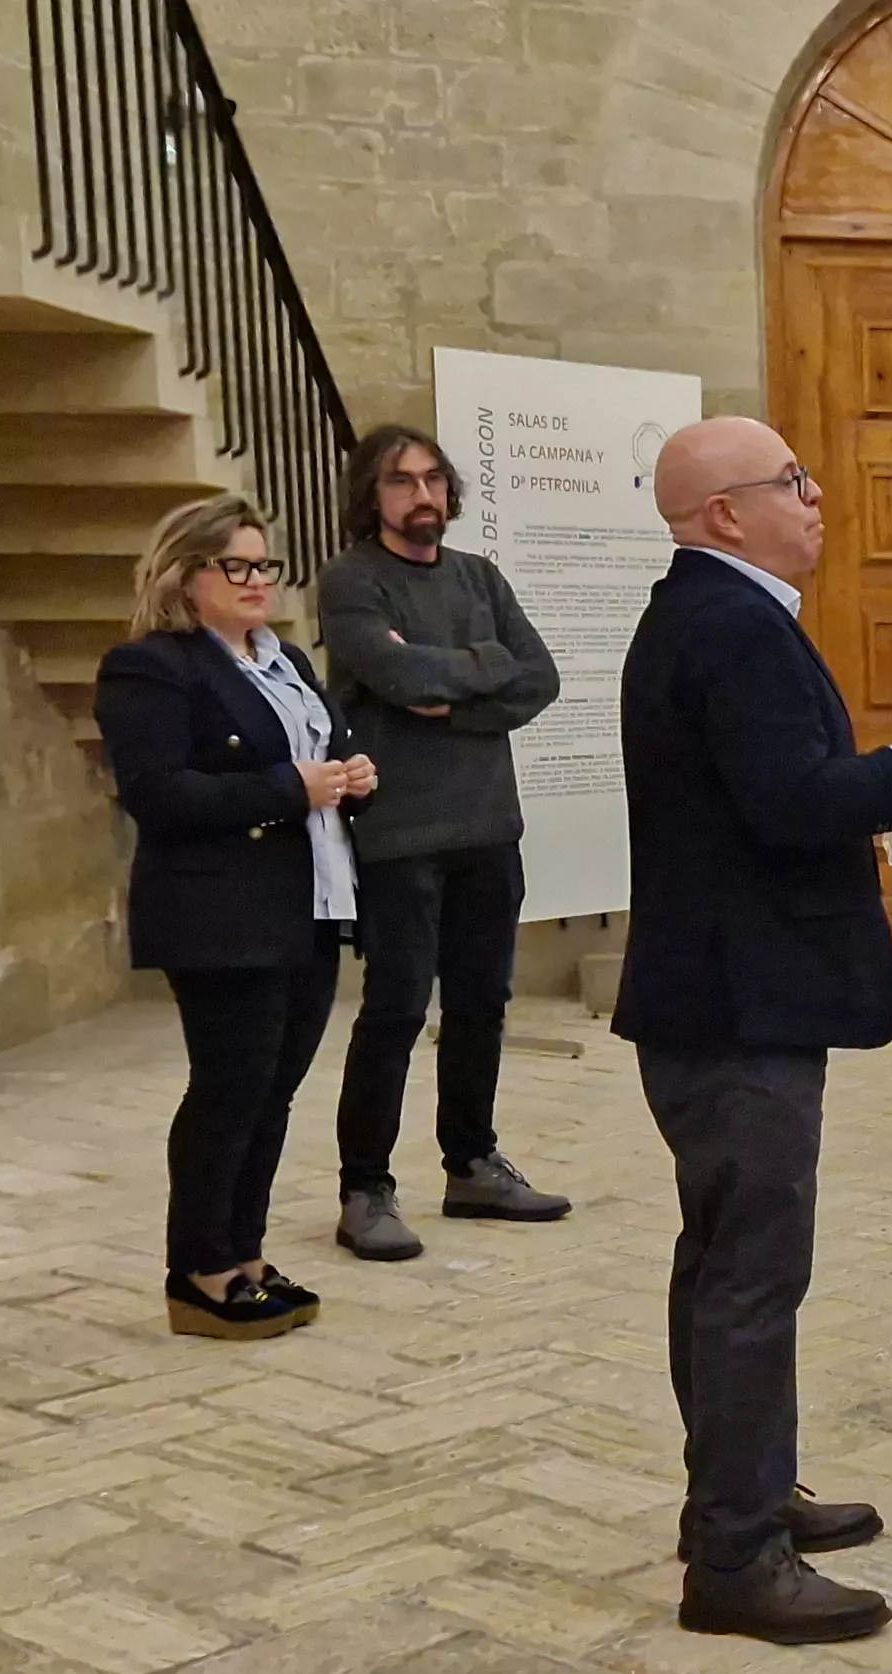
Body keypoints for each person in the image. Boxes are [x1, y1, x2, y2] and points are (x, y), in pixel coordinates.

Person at [614, 416, 892, 1643]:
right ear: (724, 512)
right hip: (738, 1005)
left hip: (721, 993)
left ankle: (740, 1496)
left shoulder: (714, 614)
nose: (818, 494)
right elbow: (788, 806)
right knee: (750, 1276)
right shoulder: (728, 624)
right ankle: (735, 1558)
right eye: (791, 481)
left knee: (724, 1260)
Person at [95, 495, 375, 1340]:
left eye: (265, 566)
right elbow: (161, 794)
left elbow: (311, 752)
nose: (259, 582)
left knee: (275, 1092)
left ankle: (245, 1254)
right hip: (220, 907)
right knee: (229, 1090)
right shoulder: (151, 666)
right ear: (187, 575)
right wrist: (292, 787)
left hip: (309, 899)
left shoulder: (281, 657)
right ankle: (201, 1269)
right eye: (238, 567)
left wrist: (349, 777)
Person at [314, 424, 571, 1262]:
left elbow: (539, 677)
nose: (420, 495)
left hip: (490, 825)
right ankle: (366, 1188)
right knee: (393, 1011)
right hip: (399, 833)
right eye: (400, 482)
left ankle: (470, 1163)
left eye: (432, 480)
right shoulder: (353, 582)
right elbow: (401, 677)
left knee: (481, 1004)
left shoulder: (480, 578)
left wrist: (448, 693)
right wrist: (472, 668)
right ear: (372, 495)